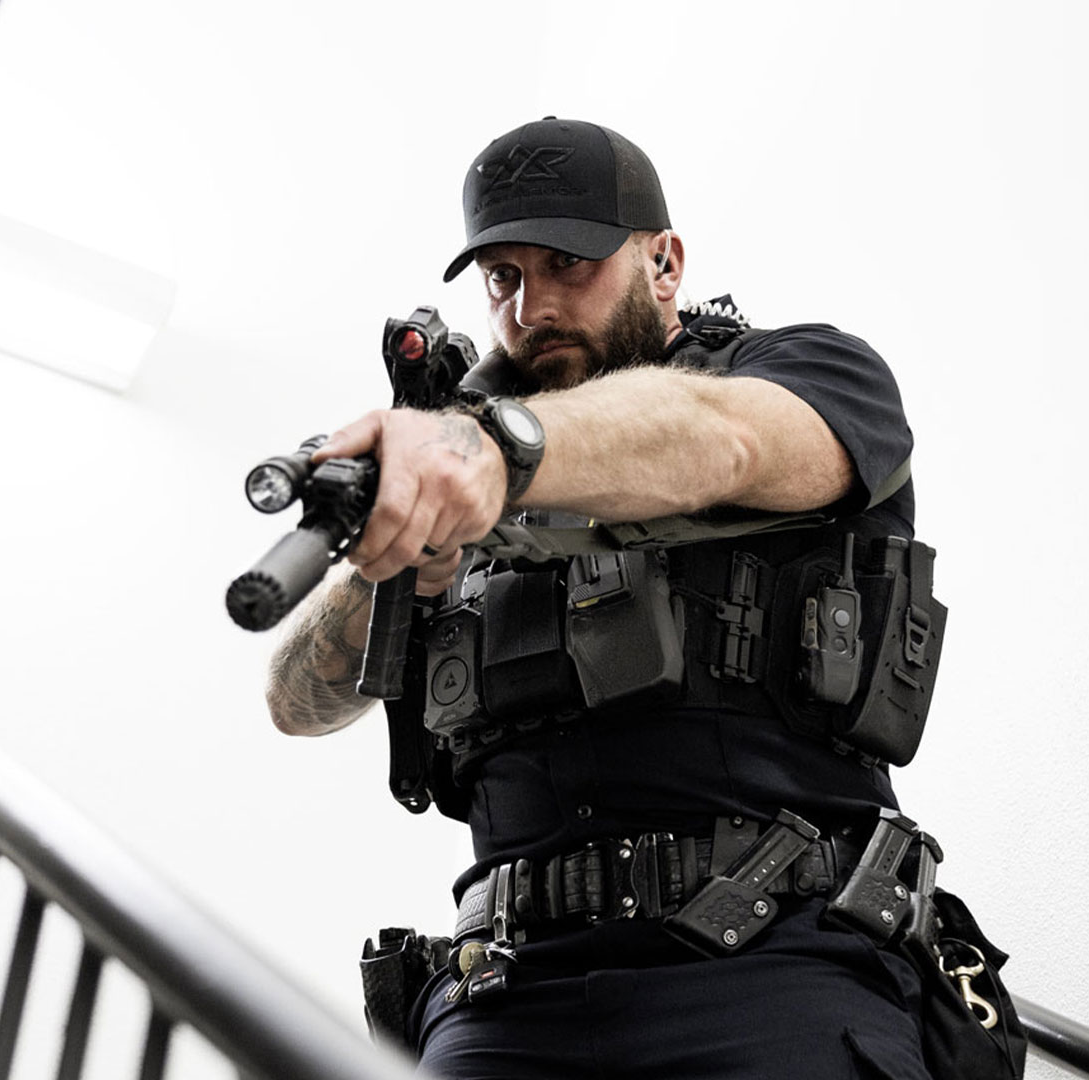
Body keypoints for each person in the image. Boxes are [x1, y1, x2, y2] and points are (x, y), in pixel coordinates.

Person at [267, 117, 944, 1080]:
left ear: (664, 262)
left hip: (776, 965)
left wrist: (491, 449)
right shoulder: (458, 465)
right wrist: (391, 565)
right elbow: (295, 701)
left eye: (566, 263)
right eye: (503, 277)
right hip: (503, 991)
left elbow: (720, 437)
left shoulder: (807, 373)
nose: (531, 306)